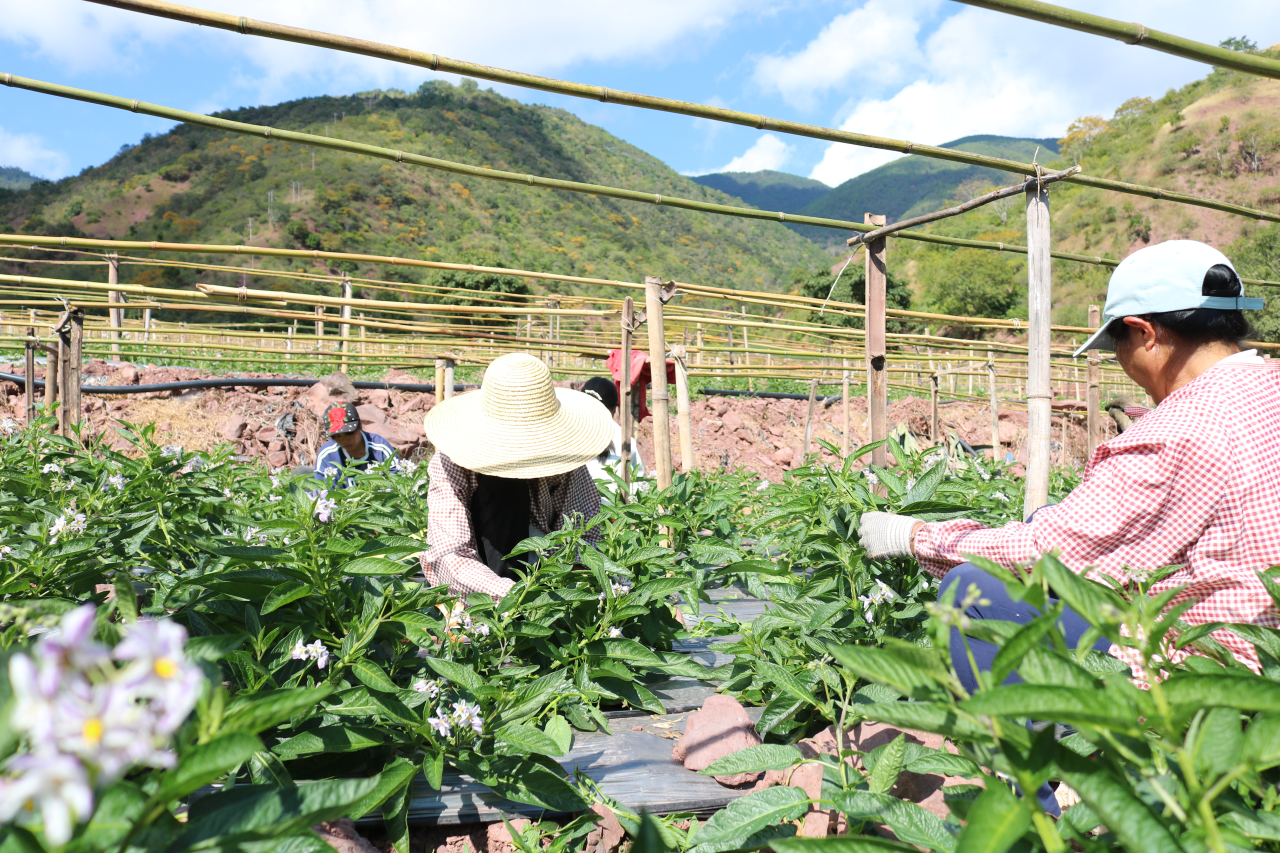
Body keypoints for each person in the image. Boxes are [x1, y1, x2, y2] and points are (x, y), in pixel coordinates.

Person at [859, 240, 1280, 681]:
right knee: (1044, 521)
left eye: (1116, 345)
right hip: (1264, 640)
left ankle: (1024, 724)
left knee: (972, 588)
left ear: (1144, 333)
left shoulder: (1178, 429)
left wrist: (916, 537)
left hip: (1217, 668)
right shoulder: (1266, 388)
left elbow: (1046, 553)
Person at [420, 353, 614, 601]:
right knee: (501, 485)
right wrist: (514, 597)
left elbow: (581, 538)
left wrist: (564, 589)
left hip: (544, 579)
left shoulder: (564, 457)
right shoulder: (452, 462)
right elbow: (450, 554)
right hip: (481, 588)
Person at [581, 376, 645, 492]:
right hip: (618, 502)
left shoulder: (568, 434)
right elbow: (640, 485)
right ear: (614, 409)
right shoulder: (625, 440)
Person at [313, 401, 397, 486]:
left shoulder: (380, 448)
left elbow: (397, 479)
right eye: (337, 436)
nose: (344, 440)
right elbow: (324, 490)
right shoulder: (327, 456)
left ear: (359, 425)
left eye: (349, 433)